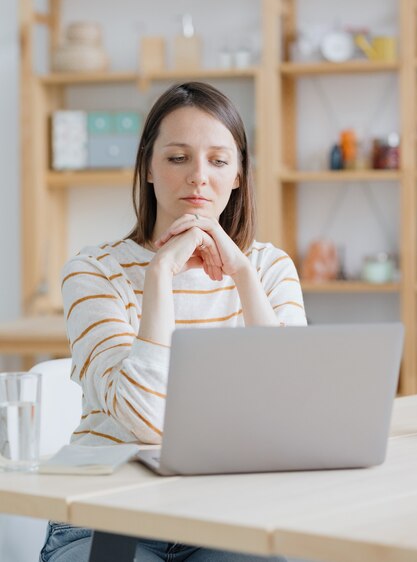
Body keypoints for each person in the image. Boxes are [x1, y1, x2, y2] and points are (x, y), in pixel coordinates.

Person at [40, 81, 307, 562]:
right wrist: (159, 275)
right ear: (146, 167)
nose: (198, 177)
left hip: (227, 518)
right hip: (108, 516)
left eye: (219, 160)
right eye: (178, 158)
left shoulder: (268, 269)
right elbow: (144, 420)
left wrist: (242, 274)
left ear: (240, 174)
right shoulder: (93, 271)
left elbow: (292, 408)